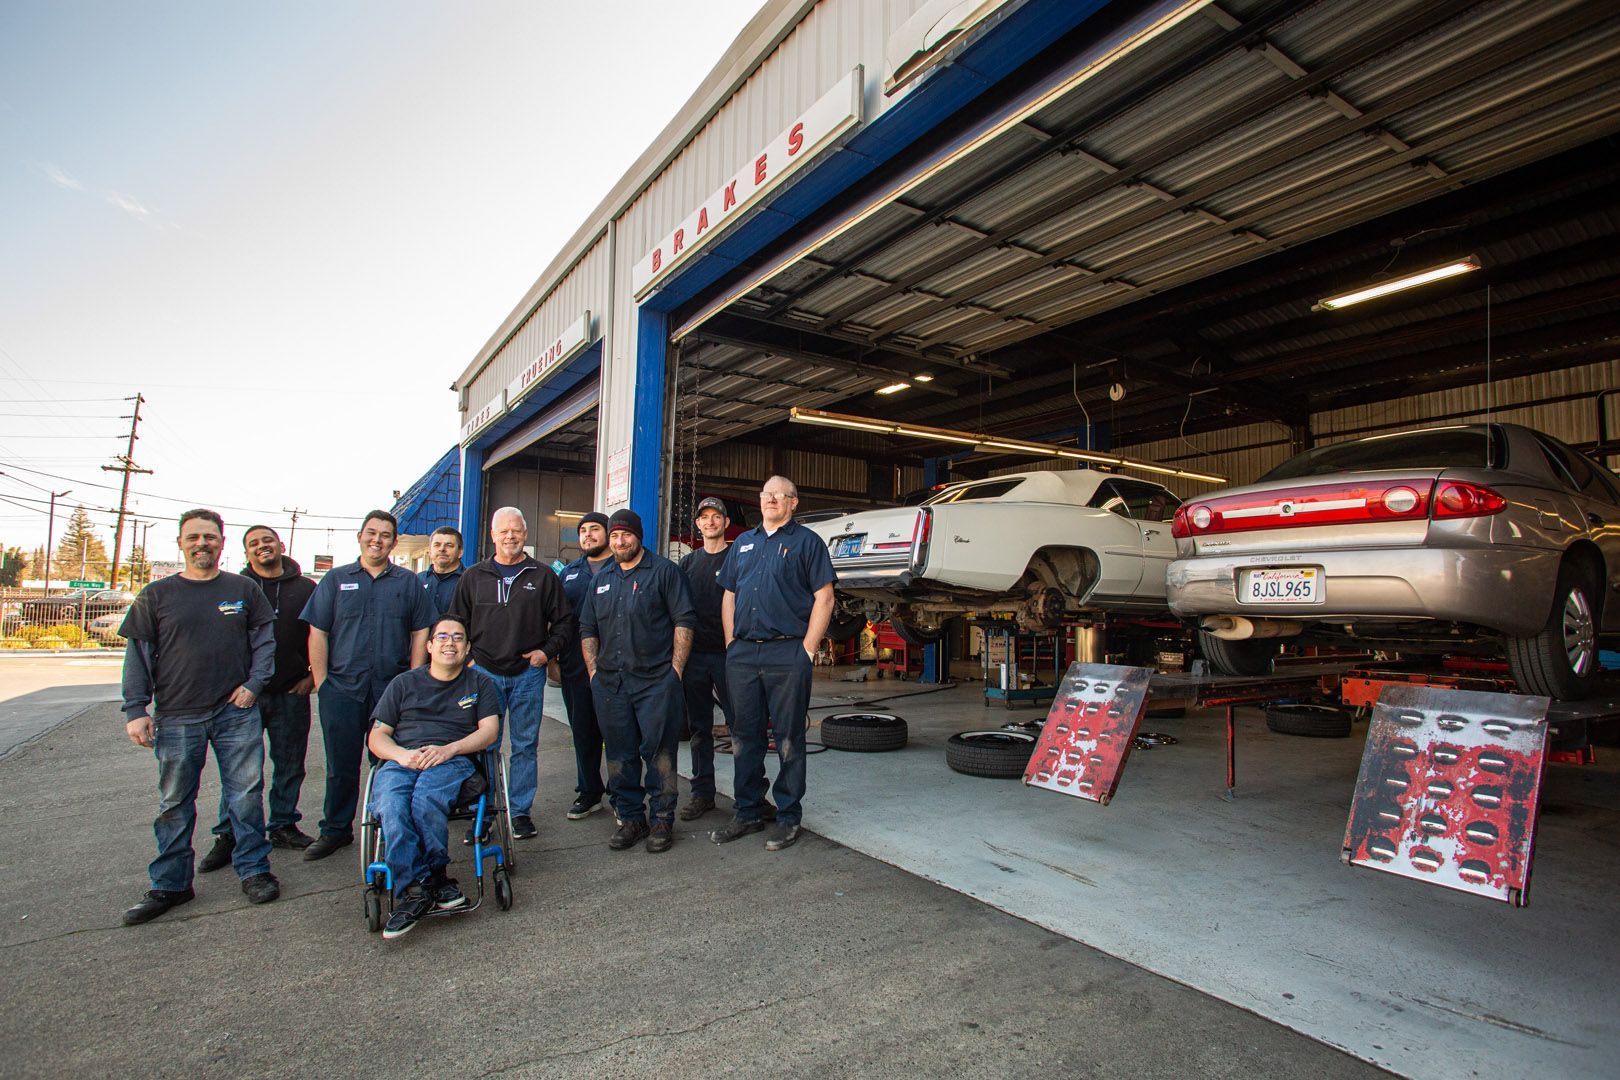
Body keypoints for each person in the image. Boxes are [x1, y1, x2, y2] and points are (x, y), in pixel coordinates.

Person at [119, 508, 280, 926]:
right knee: (174, 802)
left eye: (209, 537)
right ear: (181, 543)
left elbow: (265, 643)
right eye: (193, 537)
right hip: (177, 715)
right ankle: (171, 883)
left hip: (235, 712)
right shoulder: (157, 594)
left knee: (245, 796)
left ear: (221, 543)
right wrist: (136, 708)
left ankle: (254, 870)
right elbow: (137, 656)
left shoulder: (243, 589)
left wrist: (255, 684)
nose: (202, 544)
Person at [299, 510, 433, 861]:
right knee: (340, 765)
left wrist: (412, 680)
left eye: (385, 535)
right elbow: (318, 632)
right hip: (343, 690)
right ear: (360, 536)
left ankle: (389, 828)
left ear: (394, 542)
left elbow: (421, 631)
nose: (377, 540)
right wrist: (322, 683)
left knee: (390, 765)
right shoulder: (335, 580)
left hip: (391, 691)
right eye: (371, 533)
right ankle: (335, 830)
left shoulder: (408, 582)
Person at [712, 476, 834, 852]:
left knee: (788, 738)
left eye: (779, 495)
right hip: (743, 654)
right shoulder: (743, 543)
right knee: (744, 737)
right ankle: (747, 811)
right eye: (766, 494)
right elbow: (729, 595)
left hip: (787, 653)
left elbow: (825, 598)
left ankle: (788, 817)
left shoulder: (808, 543)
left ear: (793, 503)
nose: (771, 500)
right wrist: (731, 644)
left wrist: (807, 650)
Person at [366, 614, 500, 940]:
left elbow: (489, 731)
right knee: (392, 805)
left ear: (467, 648)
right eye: (442, 637)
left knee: (425, 799)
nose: (449, 643)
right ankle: (421, 885)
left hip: (453, 759)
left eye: (457, 637)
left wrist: (449, 749)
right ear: (428, 646)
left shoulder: (480, 684)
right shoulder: (403, 684)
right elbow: (377, 736)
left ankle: (428, 879)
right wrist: (402, 755)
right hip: (404, 758)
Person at [197, 525, 319, 870]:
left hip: (291, 691)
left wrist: (312, 676)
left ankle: (283, 824)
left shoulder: (306, 589)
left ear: (281, 545)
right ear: (245, 552)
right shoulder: (235, 588)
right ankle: (229, 833)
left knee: (290, 764)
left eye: (267, 541)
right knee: (240, 772)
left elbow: (321, 634)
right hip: (244, 696)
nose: (262, 547)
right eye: (254, 543)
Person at [447, 506, 572, 840]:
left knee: (525, 746)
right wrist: (467, 660)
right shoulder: (473, 576)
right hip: (483, 675)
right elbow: (455, 622)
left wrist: (546, 652)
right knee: (484, 745)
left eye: (516, 530)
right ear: (493, 535)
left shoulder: (542, 576)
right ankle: (484, 814)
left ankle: (519, 813)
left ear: (525, 534)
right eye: (503, 531)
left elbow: (564, 621)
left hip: (527, 676)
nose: (510, 536)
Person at [578, 509, 696, 853]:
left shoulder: (664, 572)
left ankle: (661, 820)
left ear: (638, 536)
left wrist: (675, 671)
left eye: (626, 535)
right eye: (614, 535)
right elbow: (587, 628)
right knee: (619, 753)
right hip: (610, 684)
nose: (620, 541)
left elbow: (684, 620)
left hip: (655, 682)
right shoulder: (601, 579)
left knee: (659, 753)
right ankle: (631, 819)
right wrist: (593, 672)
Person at [676, 497, 735, 821]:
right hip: (696, 656)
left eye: (716, 517)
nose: (710, 522)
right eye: (704, 517)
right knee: (699, 728)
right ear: (698, 524)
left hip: (730, 656)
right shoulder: (687, 564)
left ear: (725, 523)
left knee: (743, 727)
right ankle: (702, 794)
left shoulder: (738, 558)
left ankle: (751, 796)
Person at [555, 511, 614, 820]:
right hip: (576, 665)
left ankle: (621, 792)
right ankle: (589, 792)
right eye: (583, 531)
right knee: (583, 730)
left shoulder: (622, 566)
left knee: (618, 732)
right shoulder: (569, 574)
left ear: (608, 533)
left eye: (594, 529)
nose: (588, 535)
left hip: (617, 664)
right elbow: (557, 620)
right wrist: (553, 658)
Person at [417, 525, 465, 621]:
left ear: (460, 552)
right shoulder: (417, 580)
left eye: (449, 545)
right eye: (437, 545)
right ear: (430, 551)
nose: (442, 549)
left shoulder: (470, 580)